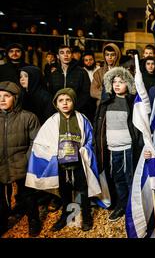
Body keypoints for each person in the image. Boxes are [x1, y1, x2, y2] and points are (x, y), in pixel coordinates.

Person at [26, 88, 104, 232]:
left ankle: (86, 216)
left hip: (79, 162)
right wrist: (53, 152)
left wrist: (84, 149)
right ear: (56, 103)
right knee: (64, 191)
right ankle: (66, 215)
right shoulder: (52, 121)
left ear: (73, 102)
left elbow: (90, 138)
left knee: (83, 190)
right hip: (60, 165)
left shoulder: (82, 119)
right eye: (61, 100)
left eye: (68, 100)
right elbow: (43, 141)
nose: (65, 103)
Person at [94, 67, 139, 221]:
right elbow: (99, 126)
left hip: (127, 147)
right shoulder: (106, 102)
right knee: (117, 177)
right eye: (114, 82)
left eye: (121, 81)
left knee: (129, 178)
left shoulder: (132, 102)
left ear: (129, 84)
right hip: (112, 148)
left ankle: (132, 207)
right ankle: (122, 204)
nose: (117, 84)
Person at [0, 81, 41, 237]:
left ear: (15, 98)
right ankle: (3, 222)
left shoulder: (28, 117)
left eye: (7, 96)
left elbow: (36, 142)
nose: (2, 100)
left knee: (28, 196)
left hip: (21, 163)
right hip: (1, 163)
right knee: (1, 199)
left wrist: (26, 160)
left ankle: (34, 221)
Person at [47, 44, 91, 118]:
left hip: (77, 111)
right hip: (58, 112)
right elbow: (51, 93)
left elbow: (86, 93)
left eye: (68, 52)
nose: (66, 55)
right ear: (58, 56)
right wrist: (57, 108)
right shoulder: (54, 74)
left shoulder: (81, 72)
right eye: (62, 53)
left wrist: (75, 108)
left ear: (71, 55)